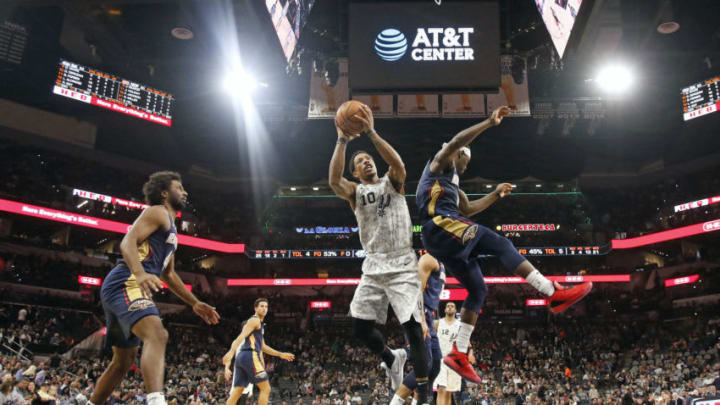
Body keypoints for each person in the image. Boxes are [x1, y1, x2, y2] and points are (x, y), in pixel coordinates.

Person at [415, 106, 593, 383]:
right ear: (460, 156)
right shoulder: (440, 164)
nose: (467, 165)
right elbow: (455, 142)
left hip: (446, 234)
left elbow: (469, 209)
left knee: (478, 290)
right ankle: (550, 290)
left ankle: (459, 352)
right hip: (439, 225)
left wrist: (495, 195)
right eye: (466, 160)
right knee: (499, 242)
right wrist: (489, 121)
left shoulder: (455, 186)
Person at [328, 104, 432, 404]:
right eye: (360, 162)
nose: (366, 162)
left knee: (412, 327)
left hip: (401, 261)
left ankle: (423, 395)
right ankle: (391, 357)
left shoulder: (392, 182)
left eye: (369, 159)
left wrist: (371, 133)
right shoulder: (354, 193)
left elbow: (398, 164)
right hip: (373, 263)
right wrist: (343, 141)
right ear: (356, 172)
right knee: (360, 329)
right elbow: (334, 180)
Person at [89, 171, 220, 405]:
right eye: (179, 188)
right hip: (127, 280)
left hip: (122, 284)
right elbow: (127, 241)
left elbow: (168, 274)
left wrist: (194, 303)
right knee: (158, 335)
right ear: (164, 193)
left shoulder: (171, 228)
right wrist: (139, 273)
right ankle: (156, 401)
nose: (185, 192)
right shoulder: (157, 212)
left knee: (123, 362)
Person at [389, 254, 445, 405]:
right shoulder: (428, 259)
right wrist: (421, 319)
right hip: (418, 313)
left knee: (435, 366)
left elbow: (434, 297)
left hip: (429, 315)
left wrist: (433, 321)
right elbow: (415, 290)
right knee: (425, 364)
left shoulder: (441, 262)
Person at [222, 298, 294, 405]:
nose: (264, 308)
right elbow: (240, 337)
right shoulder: (254, 320)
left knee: (237, 392)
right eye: (262, 306)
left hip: (242, 358)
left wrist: (280, 354)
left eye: (266, 306)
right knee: (266, 388)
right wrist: (231, 351)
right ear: (255, 308)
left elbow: (263, 347)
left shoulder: (259, 324)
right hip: (250, 355)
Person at [434, 302, 474, 405]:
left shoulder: (460, 325)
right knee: (441, 389)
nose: (450, 307)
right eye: (448, 306)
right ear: (445, 310)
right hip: (441, 359)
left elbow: (467, 341)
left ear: (455, 310)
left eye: (452, 306)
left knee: (449, 391)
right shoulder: (438, 323)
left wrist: (471, 353)